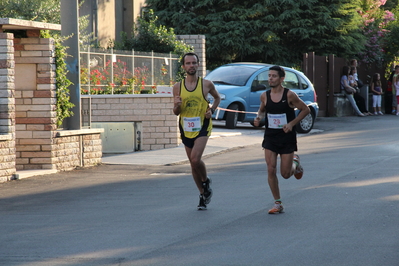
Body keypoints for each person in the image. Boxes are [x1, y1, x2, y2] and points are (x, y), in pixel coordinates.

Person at [253, 65, 310, 214]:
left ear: (281, 79)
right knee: (270, 169)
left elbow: (306, 109)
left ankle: (295, 164)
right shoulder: (264, 96)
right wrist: (258, 117)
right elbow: (262, 109)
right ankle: (278, 203)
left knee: (285, 174)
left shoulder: (289, 95)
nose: (270, 78)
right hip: (270, 137)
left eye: (274, 76)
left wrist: (291, 124)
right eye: (269, 76)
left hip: (286, 137)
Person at [172, 52, 221, 210]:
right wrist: (177, 105)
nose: (191, 66)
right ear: (183, 66)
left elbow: (217, 98)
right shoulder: (177, 87)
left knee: (194, 159)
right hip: (186, 127)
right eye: (188, 63)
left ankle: (205, 180)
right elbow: (176, 112)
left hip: (202, 125)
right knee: (193, 165)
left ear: (198, 65)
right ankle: (203, 194)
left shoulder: (206, 84)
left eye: (194, 63)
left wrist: (212, 109)